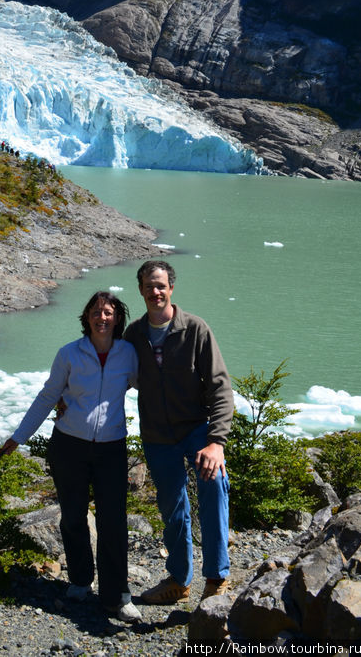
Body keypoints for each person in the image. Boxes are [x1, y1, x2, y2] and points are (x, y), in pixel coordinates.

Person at [0, 291, 142, 623]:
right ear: (86, 317)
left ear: (118, 318)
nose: (101, 318)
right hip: (69, 446)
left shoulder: (128, 354)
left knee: (113, 522)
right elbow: (48, 395)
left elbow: (141, 385)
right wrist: (18, 437)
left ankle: (117, 595)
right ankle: (79, 580)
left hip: (111, 448)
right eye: (95, 312)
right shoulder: (70, 354)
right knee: (73, 517)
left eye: (108, 312)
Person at [124, 260, 233, 606]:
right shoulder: (133, 335)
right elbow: (110, 375)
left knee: (214, 486)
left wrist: (216, 443)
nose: (155, 291)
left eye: (161, 285)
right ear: (140, 290)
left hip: (197, 428)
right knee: (172, 506)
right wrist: (70, 401)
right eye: (148, 286)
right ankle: (179, 580)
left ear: (171, 288)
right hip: (157, 434)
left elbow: (220, 388)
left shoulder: (196, 329)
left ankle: (216, 578)